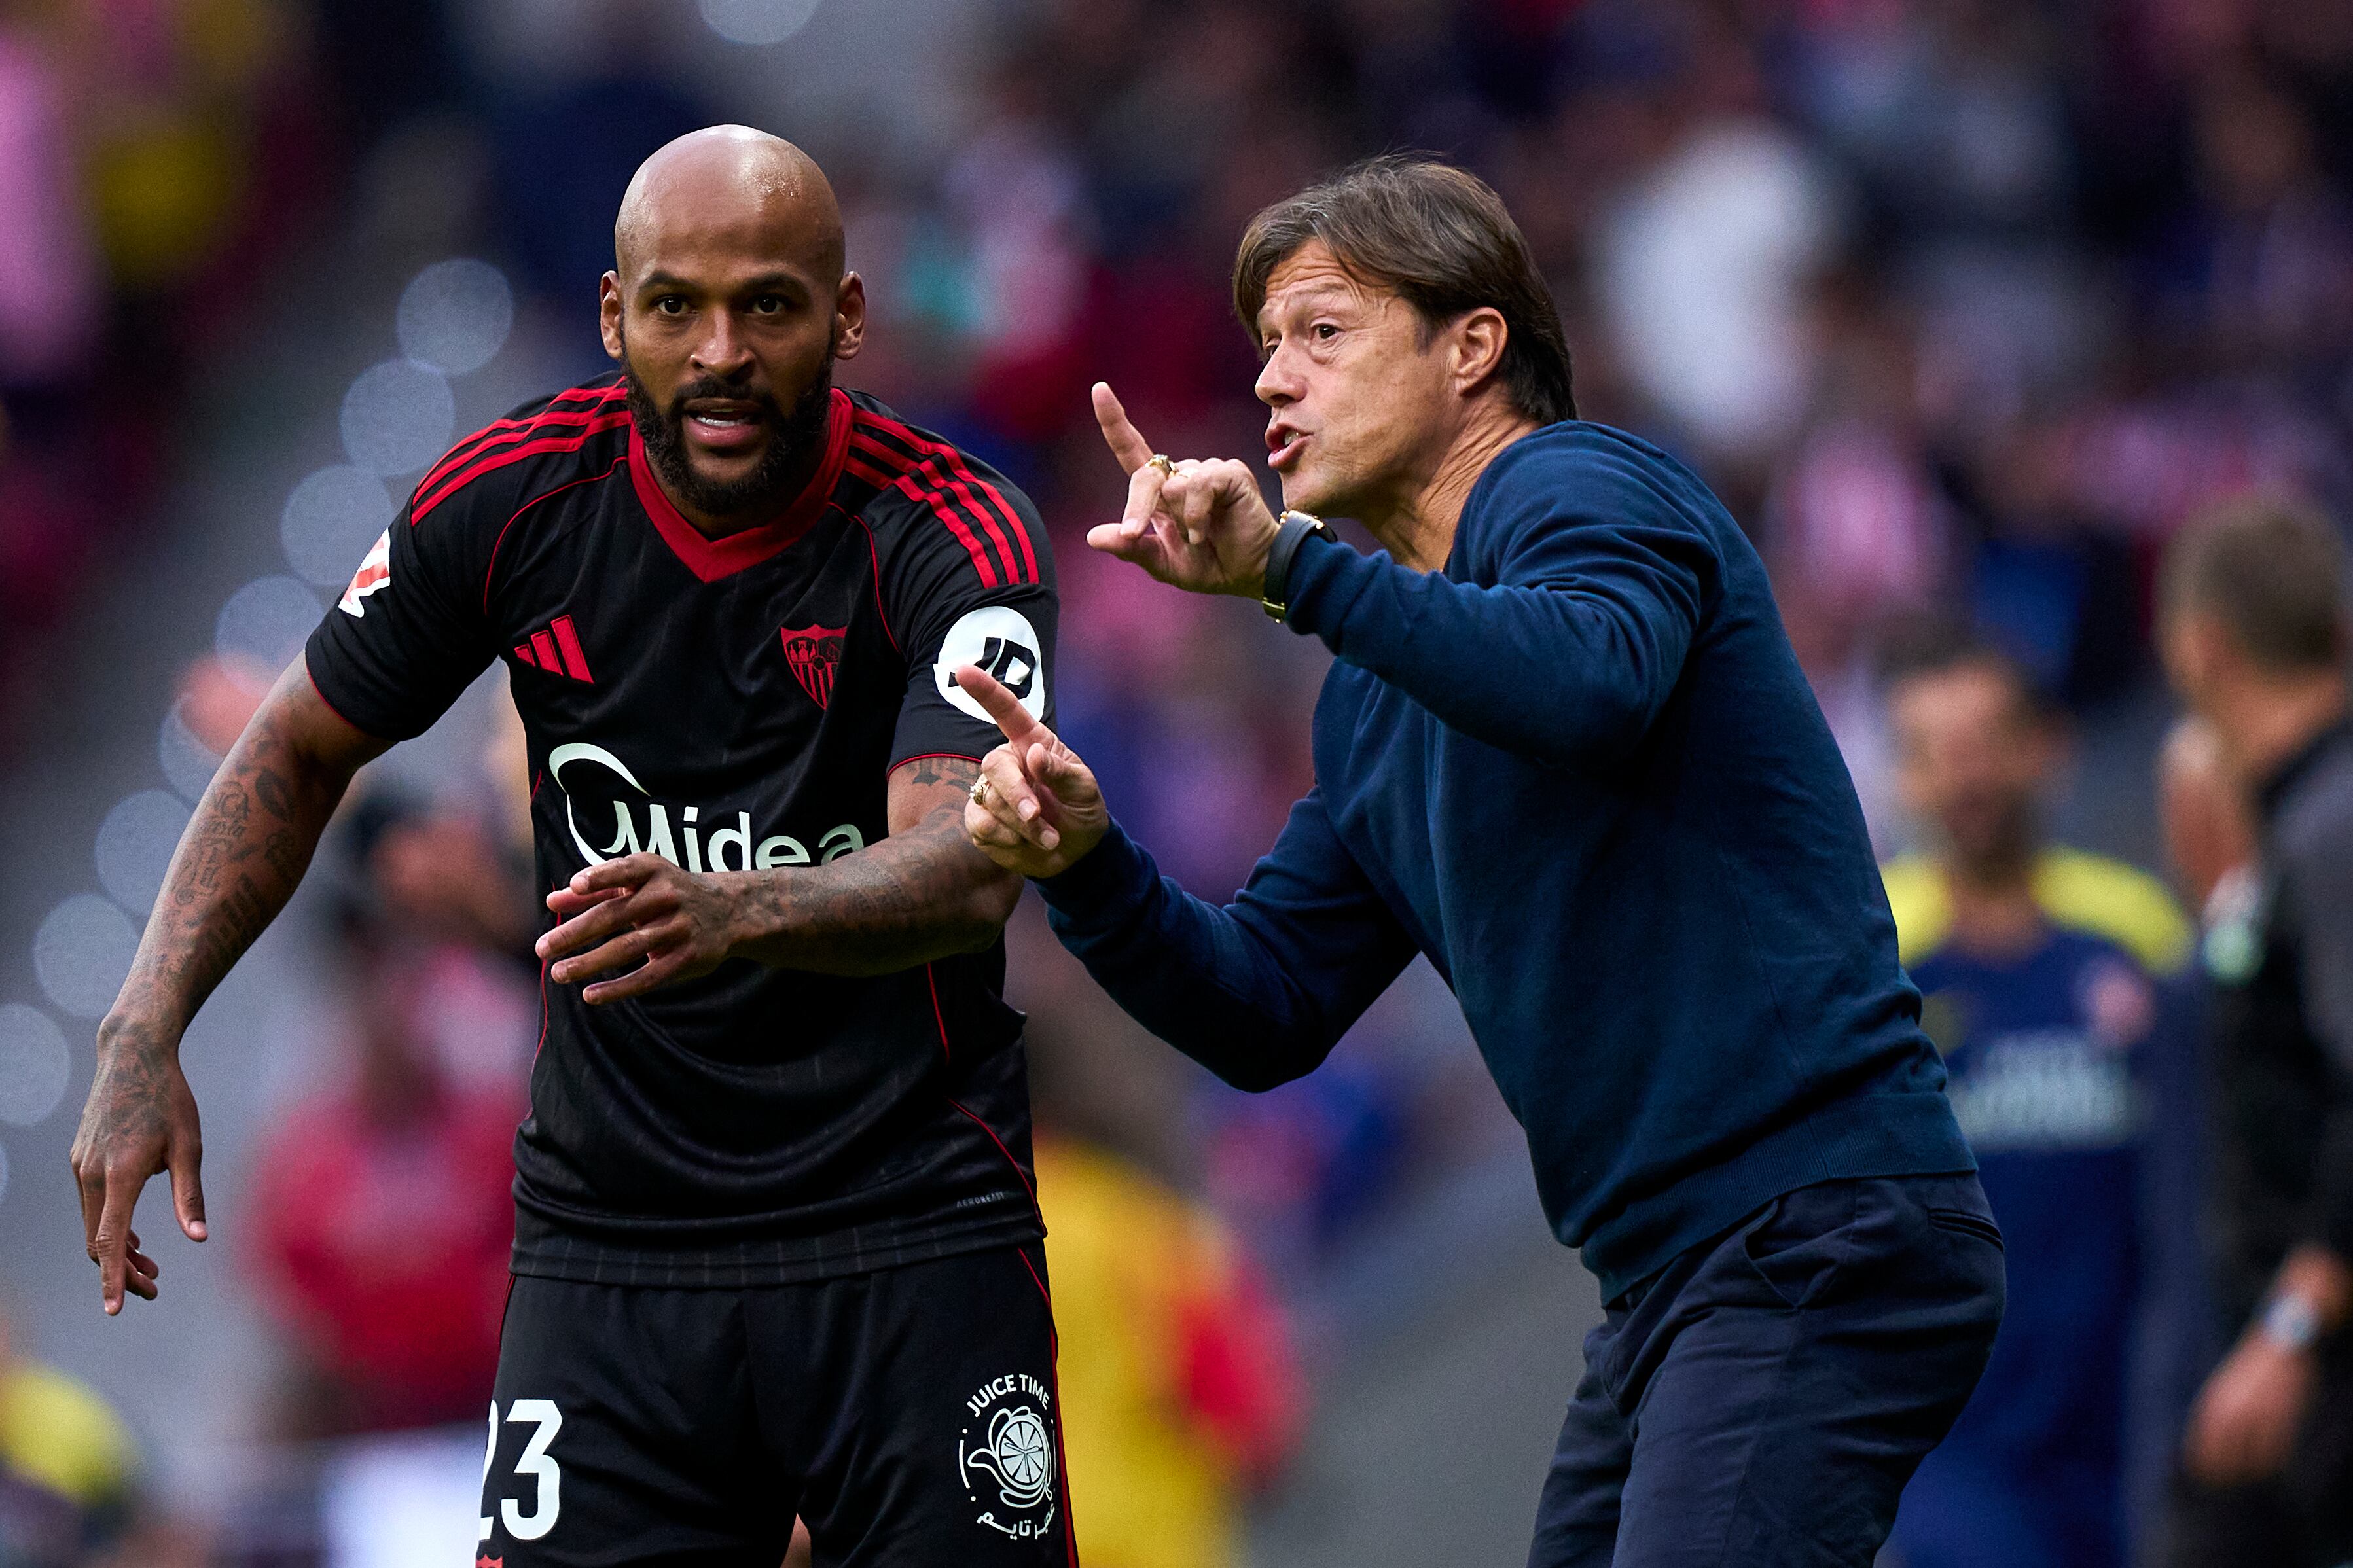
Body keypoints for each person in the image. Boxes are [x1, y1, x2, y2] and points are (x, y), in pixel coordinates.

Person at [958, 154, 2003, 1568]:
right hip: (1669, 1282)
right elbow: (1263, 1005)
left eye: (1321, 334)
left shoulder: (1573, 481)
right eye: (1264, 348)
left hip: (1814, 1226)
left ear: (1473, 344)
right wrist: (1086, 861)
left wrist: (1292, 573)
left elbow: (1589, 685)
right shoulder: (1377, 693)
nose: (1272, 382)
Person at [69, 126, 1073, 1565]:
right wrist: (141, 1024)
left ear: (845, 317)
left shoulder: (953, 535)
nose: (719, 350)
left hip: (910, 1233)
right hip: (614, 1259)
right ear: (615, 318)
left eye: (767, 306)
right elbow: (292, 747)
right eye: (675, 306)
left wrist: (738, 912)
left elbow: (967, 864)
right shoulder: (514, 499)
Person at [1870, 628, 2189, 1568]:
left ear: (2043, 745)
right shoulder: (1870, 958)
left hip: (2137, 1426)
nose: (1965, 777)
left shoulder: (2134, 928)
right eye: (1931, 752)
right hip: (1955, 1457)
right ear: (1901, 781)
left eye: (1985, 741)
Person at [2158, 495, 2353, 1568]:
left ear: (2203, 647)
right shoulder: (2296, 827)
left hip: (2314, 1362)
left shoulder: (2331, 822)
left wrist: (2292, 1325)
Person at [248, 902, 519, 1438]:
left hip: (489, 1382)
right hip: (364, 1402)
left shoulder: (492, 1131)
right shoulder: (312, 1152)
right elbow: (285, 1273)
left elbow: (530, 1247)